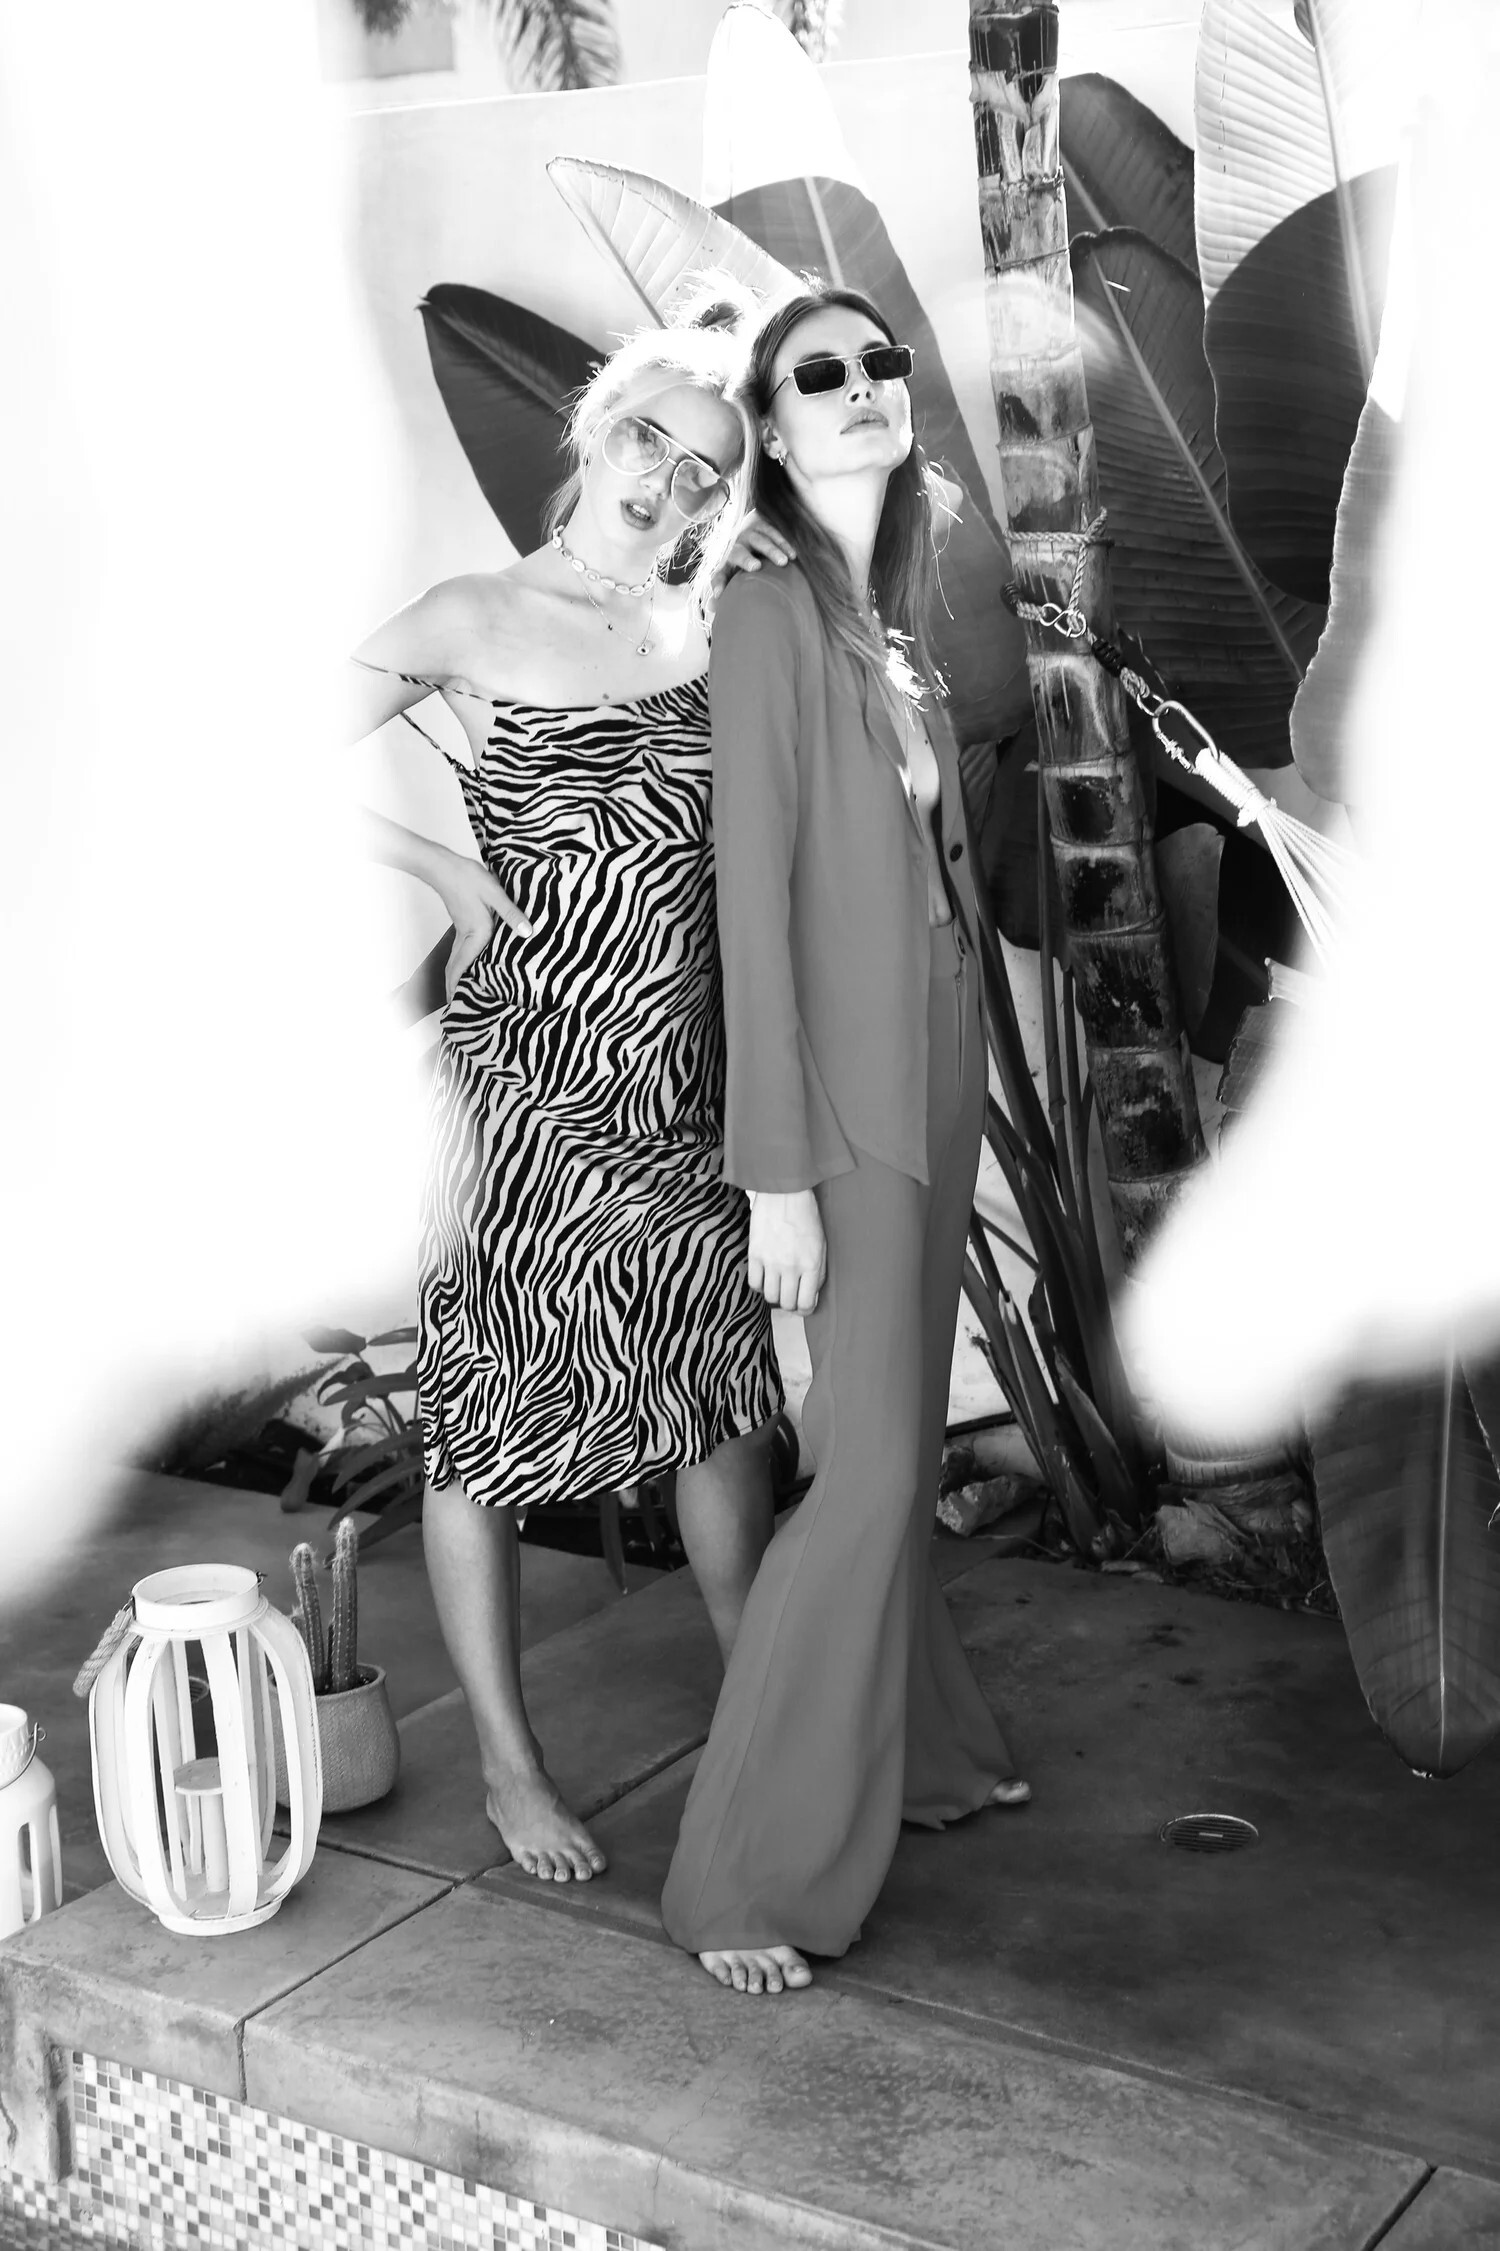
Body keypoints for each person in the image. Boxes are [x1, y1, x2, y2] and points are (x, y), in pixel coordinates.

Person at [347, 309, 793, 1886]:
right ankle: (508, 1766)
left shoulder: (711, 620)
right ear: (597, 427)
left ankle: (771, 1717)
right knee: (483, 1425)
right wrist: (442, 868)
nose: (668, 480)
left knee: (720, 1407)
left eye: (708, 467)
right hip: (526, 1089)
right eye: (649, 436)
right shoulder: (473, 614)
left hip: (685, 1089)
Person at [661, 284, 1030, 1997]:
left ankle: (925, 1754)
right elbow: (750, 910)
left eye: (883, 363)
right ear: (773, 423)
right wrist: (777, 1179)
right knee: (870, 1466)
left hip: (933, 1067)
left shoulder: (878, 621)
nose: (868, 387)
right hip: (850, 1109)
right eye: (823, 374)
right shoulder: (761, 614)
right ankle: (745, 1876)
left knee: (893, 1443)